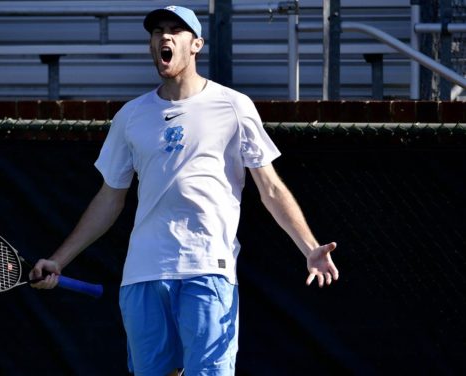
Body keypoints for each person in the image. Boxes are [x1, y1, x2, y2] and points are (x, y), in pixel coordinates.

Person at [30, 5, 339, 376]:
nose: (165, 36)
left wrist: (309, 247)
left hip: (209, 268)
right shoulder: (130, 116)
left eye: (176, 30)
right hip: (143, 274)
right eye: (158, 30)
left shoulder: (234, 107)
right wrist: (60, 260)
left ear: (196, 45)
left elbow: (270, 188)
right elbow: (110, 198)